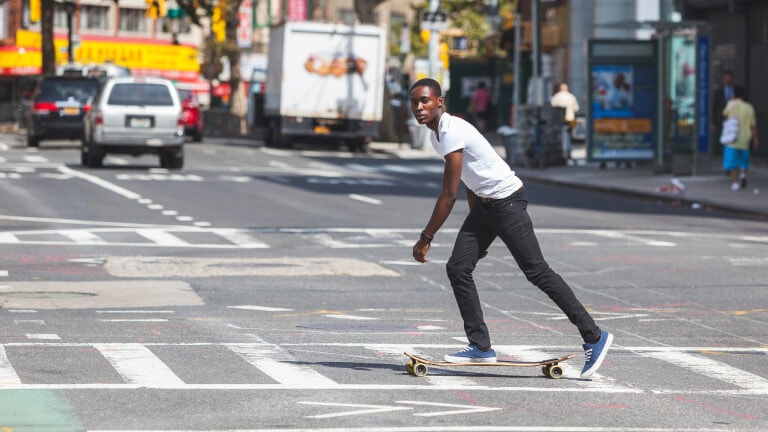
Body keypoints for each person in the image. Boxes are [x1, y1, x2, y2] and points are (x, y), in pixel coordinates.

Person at [408, 78, 613, 379]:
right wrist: (480, 230)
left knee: (537, 271)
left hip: (508, 203)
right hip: (487, 206)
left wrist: (425, 238)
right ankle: (480, 346)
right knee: (458, 267)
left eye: (425, 100)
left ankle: (594, 336)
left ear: (440, 102)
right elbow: (468, 180)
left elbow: (448, 195)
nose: (419, 107)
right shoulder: (437, 136)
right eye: (414, 102)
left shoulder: (452, 130)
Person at [722, 87, 759, 191]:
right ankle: (743, 175)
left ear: (734, 94)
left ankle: (735, 182)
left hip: (732, 138)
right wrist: (755, 138)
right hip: (745, 138)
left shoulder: (731, 104)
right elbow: (753, 125)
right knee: (744, 161)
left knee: (732, 162)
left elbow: (725, 115)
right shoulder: (749, 107)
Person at [712, 70, 745, 152]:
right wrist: (713, 122)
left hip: (735, 118)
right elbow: (715, 107)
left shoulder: (738, 90)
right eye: (725, 79)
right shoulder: (718, 92)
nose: (727, 80)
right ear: (723, 79)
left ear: (732, 79)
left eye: (729, 78)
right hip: (722, 119)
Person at [550, 83, 580, 160]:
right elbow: (576, 108)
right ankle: (568, 152)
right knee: (569, 136)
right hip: (570, 118)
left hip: (560, 120)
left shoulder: (556, 97)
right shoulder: (571, 96)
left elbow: (552, 107)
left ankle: (563, 152)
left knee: (562, 136)